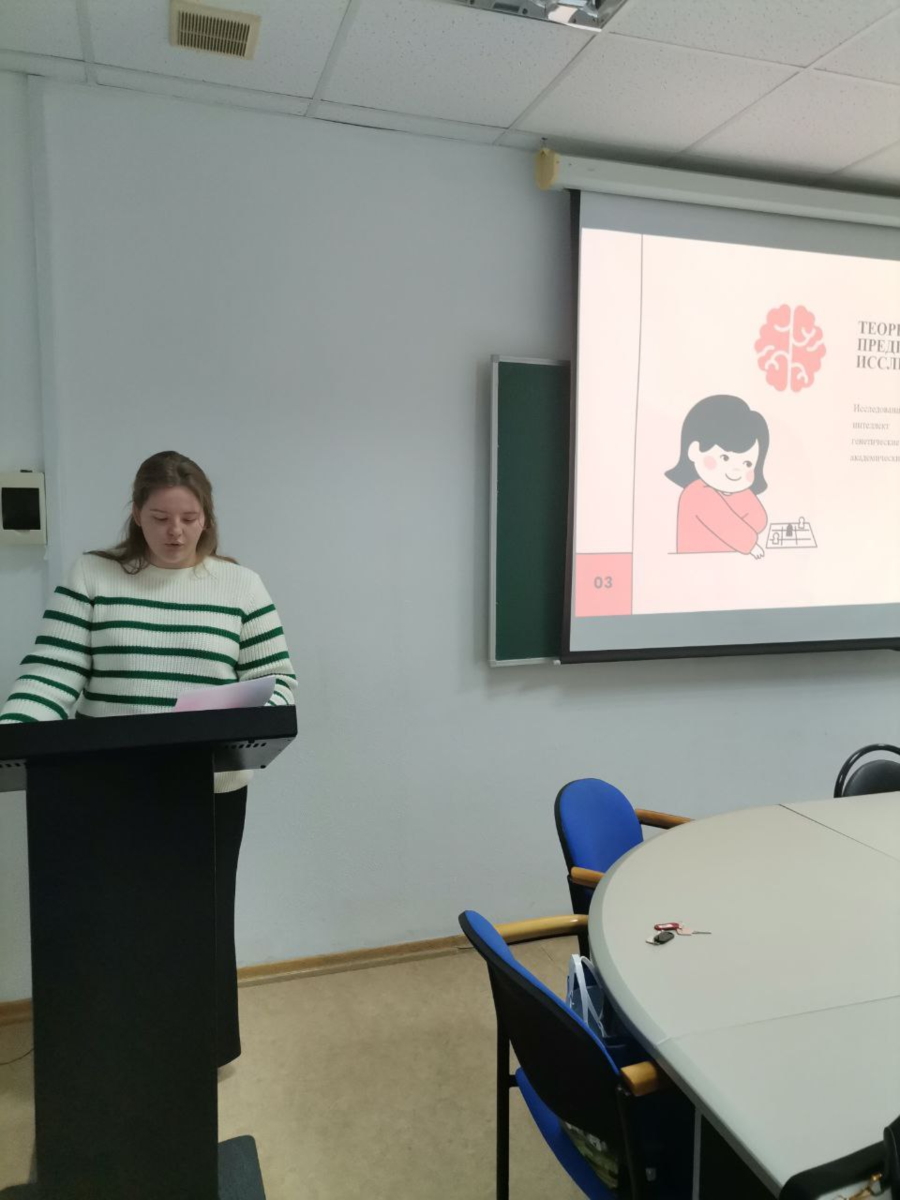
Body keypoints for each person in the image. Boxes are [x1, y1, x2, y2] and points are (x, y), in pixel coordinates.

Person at [0, 450, 297, 1068]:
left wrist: (253, 712)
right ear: (136, 514)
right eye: (160, 518)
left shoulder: (240, 585)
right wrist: (13, 732)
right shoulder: (93, 576)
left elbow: (277, 682)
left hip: (207, 793)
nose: (175, 532)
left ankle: (202, 1053)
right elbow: (52, 672)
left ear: (207, 516)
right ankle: (119, 1051)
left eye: (189, 518)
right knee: (116, 921)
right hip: (109, 788)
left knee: (201, 922)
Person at [664, 394, 770, 557]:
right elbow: (728, 526)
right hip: (696, 564)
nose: (736, 470)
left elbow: (759, 519)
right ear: (694, 451)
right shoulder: (696, 493)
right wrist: (751, 545)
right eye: (725, 458)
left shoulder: (734, 493)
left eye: (747, 464)